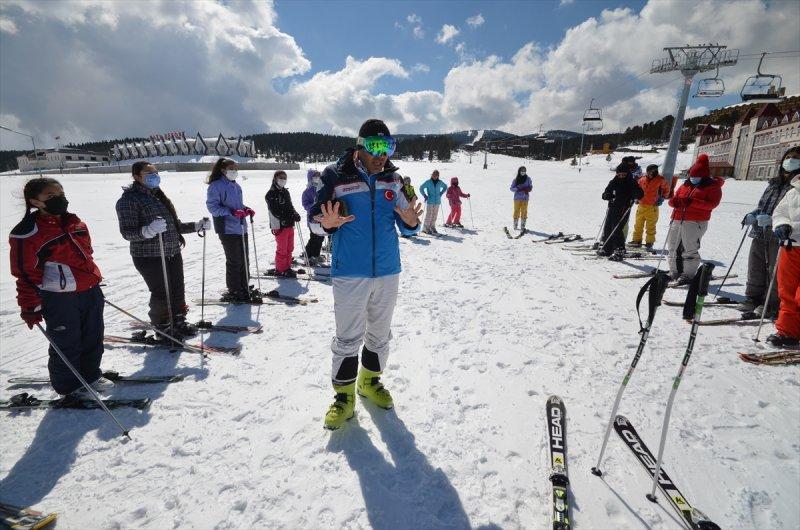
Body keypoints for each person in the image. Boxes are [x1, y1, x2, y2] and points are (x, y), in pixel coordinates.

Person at [310, 118, 422, 430]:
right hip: (350, 272)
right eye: (374, 146)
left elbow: (408, 226)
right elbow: (314, 220)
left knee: (380, 334)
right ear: (360, 146)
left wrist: (412, 222)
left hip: (387, 270)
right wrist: (325, 225)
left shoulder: (394, 180)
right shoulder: (335, 175)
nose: (381, 153)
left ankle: (369, 381)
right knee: (348, 337)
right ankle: (344, 397)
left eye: (388, 146)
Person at [9, 178, 111, 397]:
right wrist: (30, 305)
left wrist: (92, 280)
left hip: (90, 290)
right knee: (67, 342)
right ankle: (68, 387)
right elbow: (25, 273)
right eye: (51, 196)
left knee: (93, 336)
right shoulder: (27, 232)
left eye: (61, 194)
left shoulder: (76, 223)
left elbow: (87, 256)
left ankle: (90, 375)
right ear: (35, 201)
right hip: (60, 297)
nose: (60, 199)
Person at [116, 162, 209, 338]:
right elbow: (127, 233)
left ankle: (178, 319)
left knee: (177, 288)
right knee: (161, 291)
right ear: (136, 176)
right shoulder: (128, 200)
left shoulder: (158, 196)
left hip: (171, 251)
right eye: (148, 172)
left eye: (155, 172)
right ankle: (163, 325)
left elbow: (174, 226)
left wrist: (196, 226)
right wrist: (147, 230)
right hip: (149, 256)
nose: (154, 175)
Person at [739, 147, 798, 316]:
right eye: (788, 157)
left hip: (781, 235)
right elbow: (763, 206)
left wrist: (773, 221)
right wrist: (753, 214)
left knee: (775, 269)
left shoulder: (797, 186)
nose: (791, 161)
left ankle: (770, 304)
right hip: (760, 231)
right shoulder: (773, 184)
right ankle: (753, 298)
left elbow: (792, 213)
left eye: (795, 158)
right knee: (755, 266)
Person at [206, 158, 258, 303]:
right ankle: (234, 289)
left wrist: (245, 209)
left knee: (244, 259)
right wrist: (231, 212)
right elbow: (213, 208)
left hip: (241, 227)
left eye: (236, 168)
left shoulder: (236, 186)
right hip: (227, 229)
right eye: (231, 168)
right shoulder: (216, 186)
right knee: (234, 261)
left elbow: (238, 205)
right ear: (223, 170)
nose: (234, 171)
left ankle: (244, 286)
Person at [666, 153, 724, 283]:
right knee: (673, 246)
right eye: (692, 176)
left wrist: (692, 202)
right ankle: (674, 271)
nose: (693, 178)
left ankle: (688, 274)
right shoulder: (685, 185)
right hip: (677, 218)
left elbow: (712, 204)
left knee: (689, 248)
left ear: (704, 176)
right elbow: (674, 199)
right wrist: (673, 202)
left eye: (696, 176)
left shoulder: (712, 187)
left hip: (695, 221)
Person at [768, 155, 800, 347]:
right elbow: (779, 213)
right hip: (791, 246)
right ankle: (787, 331)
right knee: (786, 292)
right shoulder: (794, 191)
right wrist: (782, 224)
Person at [598, 163, 644, 260]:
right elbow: (606, 192)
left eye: (623, 174)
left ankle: (620, 250)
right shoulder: (614, 181)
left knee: (617, 229)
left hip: (623, 208)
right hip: (612, 207)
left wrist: (635, 195)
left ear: (627, 174)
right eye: (619, 174)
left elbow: (640, 193)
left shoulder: (631, 182)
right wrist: (607, 195)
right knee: (608, 228)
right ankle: (607, 248)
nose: (621, 176)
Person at [265, 170, 302, 277]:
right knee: (282, 249)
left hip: (289, 223)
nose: (283, 180)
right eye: (281, 177)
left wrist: (295, 214)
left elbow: (290, 206)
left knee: (290, 247)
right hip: (279, 225)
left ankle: (287, 267)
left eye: (285, 178)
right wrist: (287, 217)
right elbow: (275, 211)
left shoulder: (285, 192)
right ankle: (281, 269)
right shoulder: (271, 194)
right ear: (275, 179)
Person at [629, 164, 670, 249]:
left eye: (653, 171)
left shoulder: (660, 179)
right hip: (641, 205)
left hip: (652, 206)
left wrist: (662, 198)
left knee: (650, 226)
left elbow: (666, 188)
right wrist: (636, 197)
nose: (651, 173)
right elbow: (637, 188)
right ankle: (637, 240)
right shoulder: (642, 179)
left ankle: (649, 242)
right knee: (638, 224)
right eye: (650, 171)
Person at [301, 169, 326, 265]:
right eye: (315, 176)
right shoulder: (307, 191)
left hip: (322, 217)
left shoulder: (322, 188)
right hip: (313, 218)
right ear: (310, 178)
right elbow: (305, 204)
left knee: (320, 237)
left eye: (318, 176)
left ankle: (316, 254)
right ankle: (309, 255)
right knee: (314, 237)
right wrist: (314, 207)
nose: (317, 178)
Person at [419, 170, 447, 234]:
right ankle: (425, 228)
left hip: (437, 201)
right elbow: (421, 188)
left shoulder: (440, 182)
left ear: (438, 176)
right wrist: (424, 195)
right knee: (429, 215)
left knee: (435, 215)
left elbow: (445, 187)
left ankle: (432, 227)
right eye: (434, 175)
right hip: (430, 201)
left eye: (436, 175)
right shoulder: (428, 182)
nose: (435, 176)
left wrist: (441, 193)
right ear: (432, 175)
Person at [509, 166, 533, 231]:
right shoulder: (516, 180)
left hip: (525, 198)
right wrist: (517, 189)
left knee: (524, 211)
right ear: (519, 171)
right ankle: (515, 225)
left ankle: (523, 226)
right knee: (516, 211)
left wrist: (528, 189)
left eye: (524, 171)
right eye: (522, 171)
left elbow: (531, 186)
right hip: (517, 198)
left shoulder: (528, 179)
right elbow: (511, 188)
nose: (523, 172)